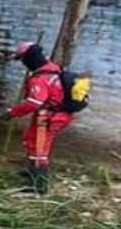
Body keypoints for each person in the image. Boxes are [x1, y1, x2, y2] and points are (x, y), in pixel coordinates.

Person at [7, 41, 74, 193]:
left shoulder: (40, 78)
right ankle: (33, 172)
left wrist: (12, 112)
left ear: (29, 58)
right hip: (54, 114)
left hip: (49, 116)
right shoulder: (53, 68)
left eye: (23, 59)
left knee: (38, 148)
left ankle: (38, 185)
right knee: (33, 141)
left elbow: (34, 102)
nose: (23, 63)